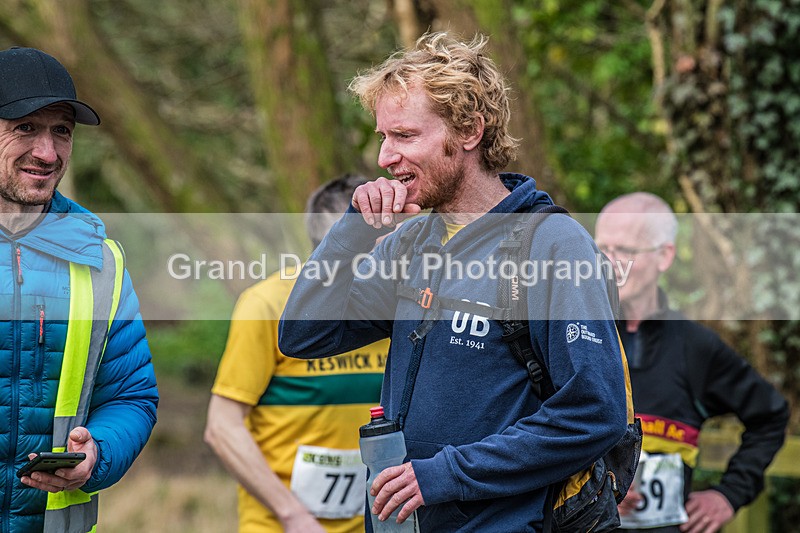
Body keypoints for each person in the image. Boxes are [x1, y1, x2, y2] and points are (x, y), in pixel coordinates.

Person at [278, 32, 628, 531]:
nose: (384, 157)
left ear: (468, 132)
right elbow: (304, 336)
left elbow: (595, 411)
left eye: (404, 136)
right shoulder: (413, 241)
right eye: (383, 137)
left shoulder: (552, 244)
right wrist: (351, 231)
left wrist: (445, 475)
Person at [0, 47, 158, 532]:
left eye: (61, 132)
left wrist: (98, 453)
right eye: (25, 127)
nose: (47, 153)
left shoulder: (101, 260)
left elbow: (132, 396)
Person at [594, 192, 789, 533]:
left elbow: (771, 417)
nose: (611, 263)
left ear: (665, 256)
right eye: (601, 249)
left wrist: (728, 494)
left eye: (625, 250)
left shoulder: (695, 347)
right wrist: (600, 486)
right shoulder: (575, 335)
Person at [204, 174, 389, 533]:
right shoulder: (268, 304)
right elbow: (222, 427)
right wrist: (293, 516)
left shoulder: (395, 306)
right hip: (282, 525)